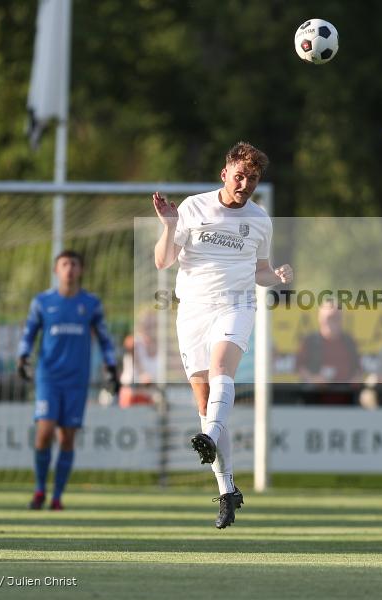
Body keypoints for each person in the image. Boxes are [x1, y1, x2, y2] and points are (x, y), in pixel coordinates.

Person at [152, 141, 292, 529]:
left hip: (236, 305)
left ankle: (210, 435)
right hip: (192, 312)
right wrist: (168, 225)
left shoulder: (260, 219)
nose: (245, 184)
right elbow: (163, 261)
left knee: (220, 372)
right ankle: (227, 489)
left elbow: (260, 271)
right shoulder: (193, 208)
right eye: (240, 176)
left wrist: (276, 275)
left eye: (253, 178)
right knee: (204, 400)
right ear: (224, 174)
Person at [17, 250, 120, 510]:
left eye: (74, 264)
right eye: (64, 264)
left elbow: (104, 338)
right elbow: (29, 333)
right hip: (49, 378)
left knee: (67, 438)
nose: (69, 269)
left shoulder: (91, 303)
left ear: (81, 269)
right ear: (56, 270)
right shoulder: (42, 302)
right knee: (44, 433)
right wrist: (23, 357)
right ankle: (40, 490)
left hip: (77, 379)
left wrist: (111, 367)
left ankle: (57, 497)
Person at [296, 300, 362, 403]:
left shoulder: (349, 342)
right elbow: (299, 367)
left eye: (337, 318)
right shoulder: (310, 341)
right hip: (316, 397)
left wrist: (354, 381)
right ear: (320, 318)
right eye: (329, 318)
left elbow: (358, 369)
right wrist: (313, 379)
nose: (333, 322)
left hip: (345, 397)